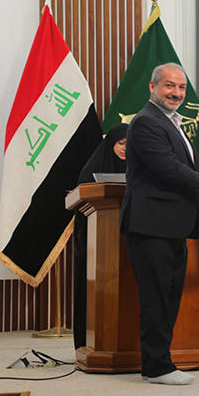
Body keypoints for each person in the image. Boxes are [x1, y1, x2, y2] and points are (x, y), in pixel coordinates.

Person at [120, 63, 199, 385]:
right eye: (169, 86)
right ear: (152, 87)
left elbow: (175, 166)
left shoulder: (170, 121)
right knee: (157, 296)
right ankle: (157, 367)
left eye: (181, 87)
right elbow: (168, 169)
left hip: (170, 225)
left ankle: (160, 362)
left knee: (169, 294)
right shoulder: (146, 121)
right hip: (151, 224)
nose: (176, 93)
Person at [73, 122, 128, 350]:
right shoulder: (92, 169)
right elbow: (79, 199)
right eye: (121, 143)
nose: (125, 149)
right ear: (111, 144)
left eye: (130, 144)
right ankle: (88, 343)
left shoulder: (140, 168)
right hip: (95, 240)